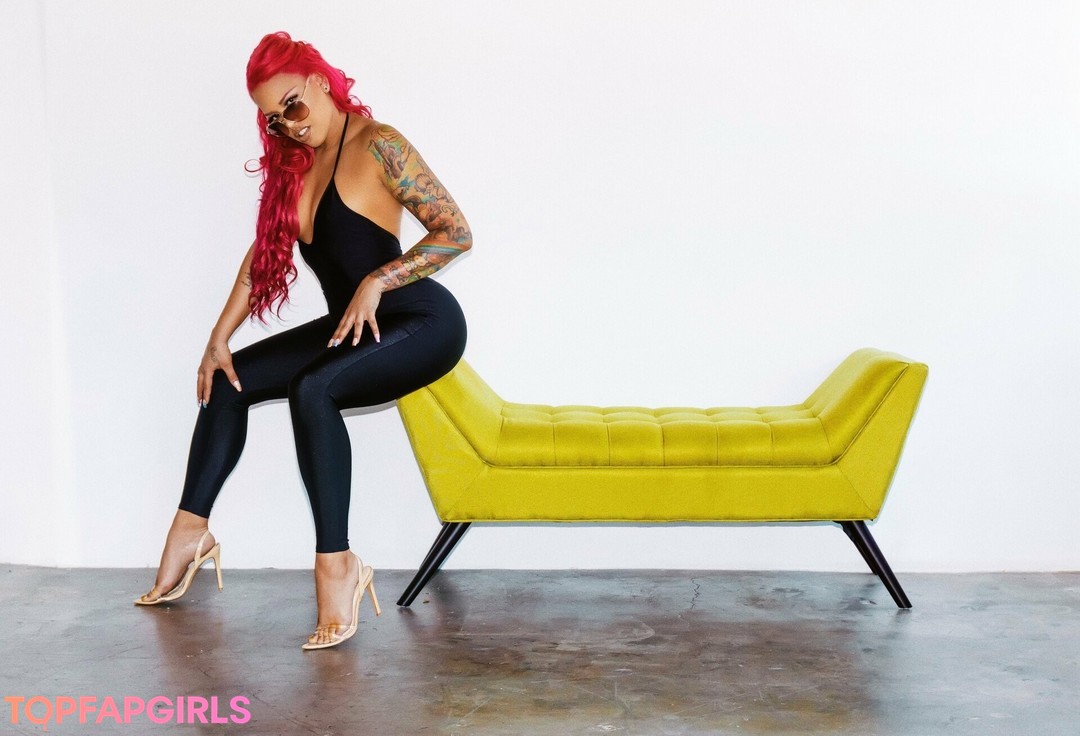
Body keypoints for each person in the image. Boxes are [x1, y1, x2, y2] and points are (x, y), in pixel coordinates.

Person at [134, 31, 471, 651]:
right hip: (353, 328)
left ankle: (338, 565)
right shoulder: (299, 167)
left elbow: (455, 231)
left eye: (292, 104)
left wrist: (377, 280)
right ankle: (189, 533)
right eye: (274, 119)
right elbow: (259, 261)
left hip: (423, 321)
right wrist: (217, 338)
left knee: (312, 388)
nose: (289, 125)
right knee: (229, 379)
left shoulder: (379, 143)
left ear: (320, 80)